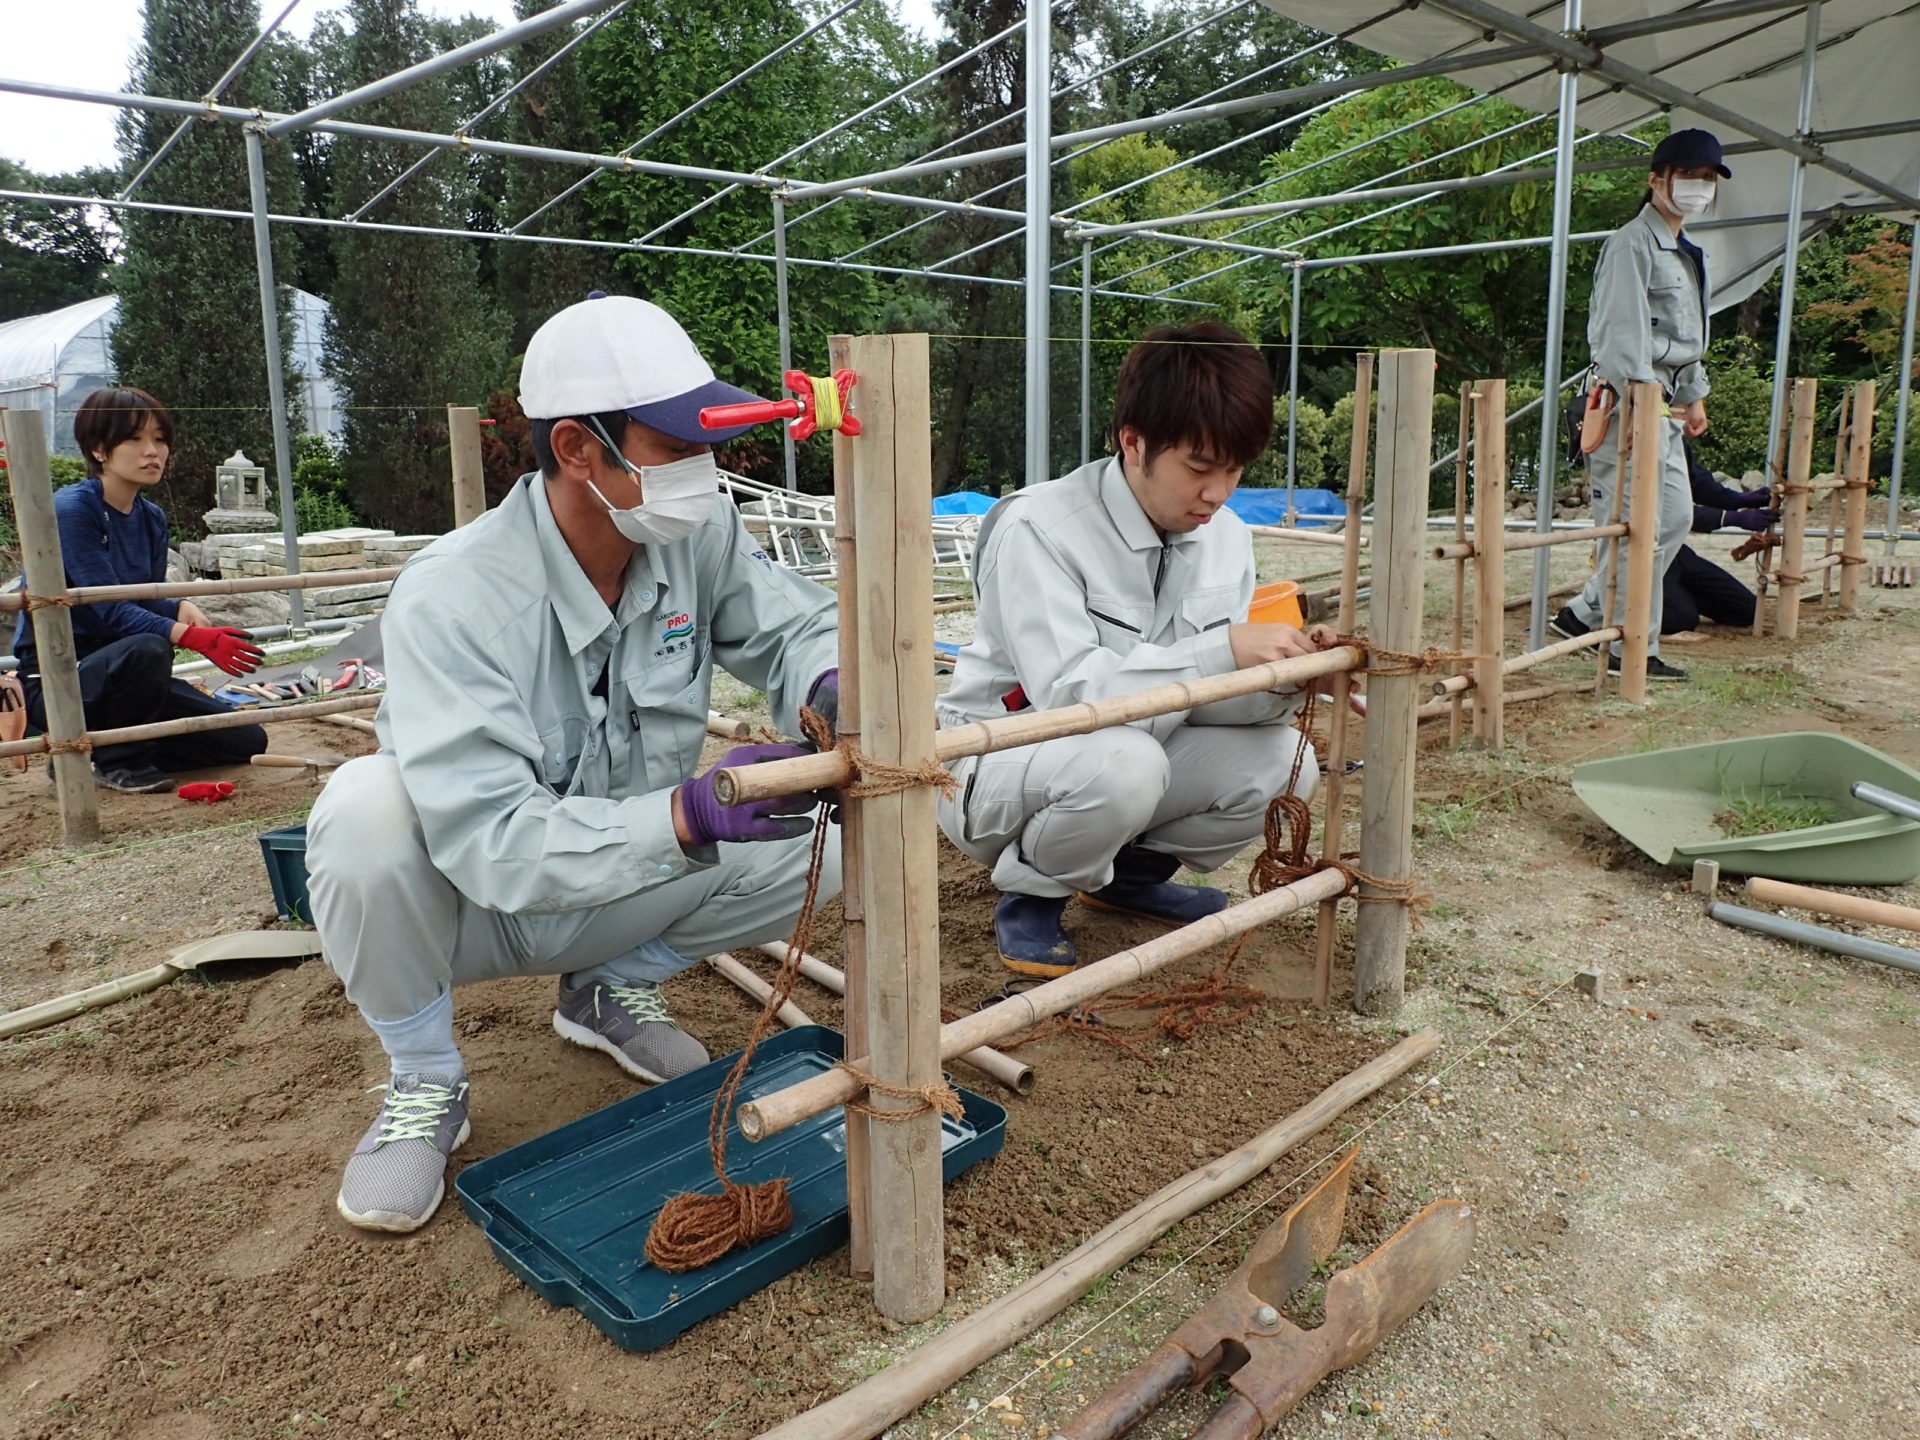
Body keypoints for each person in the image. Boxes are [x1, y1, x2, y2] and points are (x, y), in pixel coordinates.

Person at [305, 294, 843, 1233]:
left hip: (624, 884)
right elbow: (495, 845)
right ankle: (426, 1080)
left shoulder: (695, 537)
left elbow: (794, 623)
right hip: (472, 907)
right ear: (577, 450)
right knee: (362, 814)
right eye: (676, 451)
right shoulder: (452, 598)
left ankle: (608, 986)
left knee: (834, 832)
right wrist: (683, 819)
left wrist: (830, 680)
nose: (705, 476)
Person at [937, 321, 1333, 978]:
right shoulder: (1041, 528)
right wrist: (1219, 653)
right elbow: (1070, 695)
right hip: (996, 757)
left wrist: (1283, 681)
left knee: (1287, 760)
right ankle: (1034, 894)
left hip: (1131, 750)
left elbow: (1208, 704)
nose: (1218, 493)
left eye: (1235, 470)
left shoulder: (1227, 538)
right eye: (1200, 467)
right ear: (1133, 442)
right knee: (1125, 761)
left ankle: (1126, 877)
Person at [9, 387, 266, 793]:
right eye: (135, 439)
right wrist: (190, 636)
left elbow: (141, 597)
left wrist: (178, 606)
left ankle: (85, 753)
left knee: (246, 740)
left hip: (128, 674)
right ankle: (118, 761)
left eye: (160, 439)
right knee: (149, 646)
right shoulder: (73, 510)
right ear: (98, 449)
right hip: (61, 676)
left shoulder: (150, 517)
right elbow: (108, 608)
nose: (153, 451)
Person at [1552, 128, 1732, 681]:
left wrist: (1694, 394)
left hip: (1665, 404)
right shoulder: (1632, 242)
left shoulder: (1683, 250)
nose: (1698, 189)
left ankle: (1584, 615)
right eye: (1689, 177)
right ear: (1658, 180)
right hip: (1631, 400)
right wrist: (1635, 401)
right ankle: (1631, 646)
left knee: (1673, 517)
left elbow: (1687, 333)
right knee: (1638, 524)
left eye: (1707, 180)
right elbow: (1619, 333)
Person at [1555, 439, 1773, 640]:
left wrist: (1739, 500)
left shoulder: (1674, 437)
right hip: (1643, 551)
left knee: (1747, 611)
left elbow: (1697, 483)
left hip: (1675, 551)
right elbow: (1668, 512)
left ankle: (1672, 597)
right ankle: (1585, 614)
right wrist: (1729, 518)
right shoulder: (1634, 440)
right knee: (1681, 619)